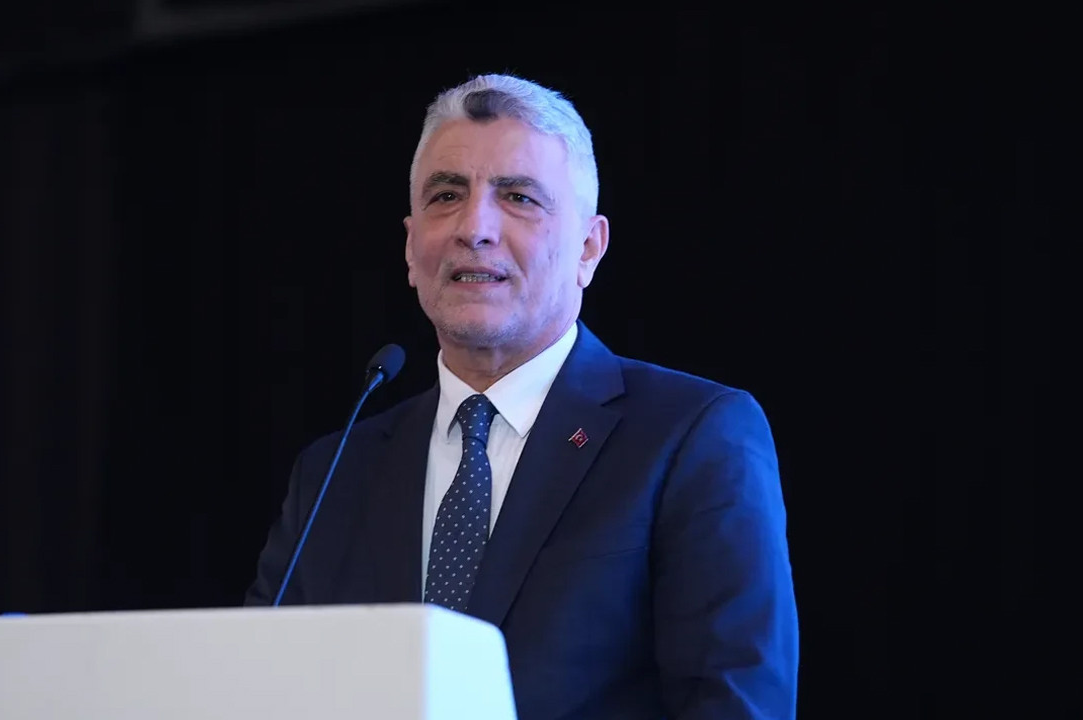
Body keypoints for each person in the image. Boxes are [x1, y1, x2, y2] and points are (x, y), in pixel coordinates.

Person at [245, 73, 798, 720]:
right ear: (410, 248)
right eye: (446, 195)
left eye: (518, 197)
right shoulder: (333, 474)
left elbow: (734, 704)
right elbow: (257, 691)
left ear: (588, 249)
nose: (474, 227)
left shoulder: (691, 436)